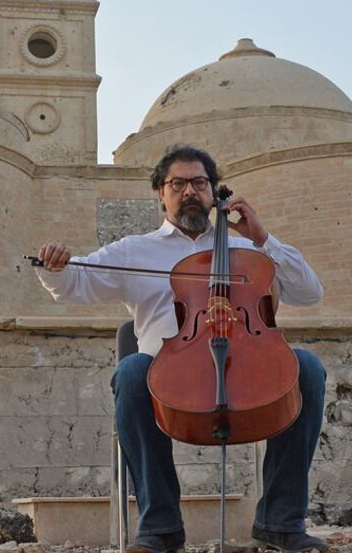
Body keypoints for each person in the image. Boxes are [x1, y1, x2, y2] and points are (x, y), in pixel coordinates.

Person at [35, 145, 328, 553]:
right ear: (161, 192)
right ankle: (160, 529)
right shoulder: (135, 250)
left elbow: (309, 293)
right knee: (133, 371)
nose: (190, 191)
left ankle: (280, 522)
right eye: (178, 183)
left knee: (307, 369)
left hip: (245, 367)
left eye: (200, 183)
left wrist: (262, 237)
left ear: (213, 193)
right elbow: (75, 285)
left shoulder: (247, 249)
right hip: (168, 379)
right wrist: (57, 268)